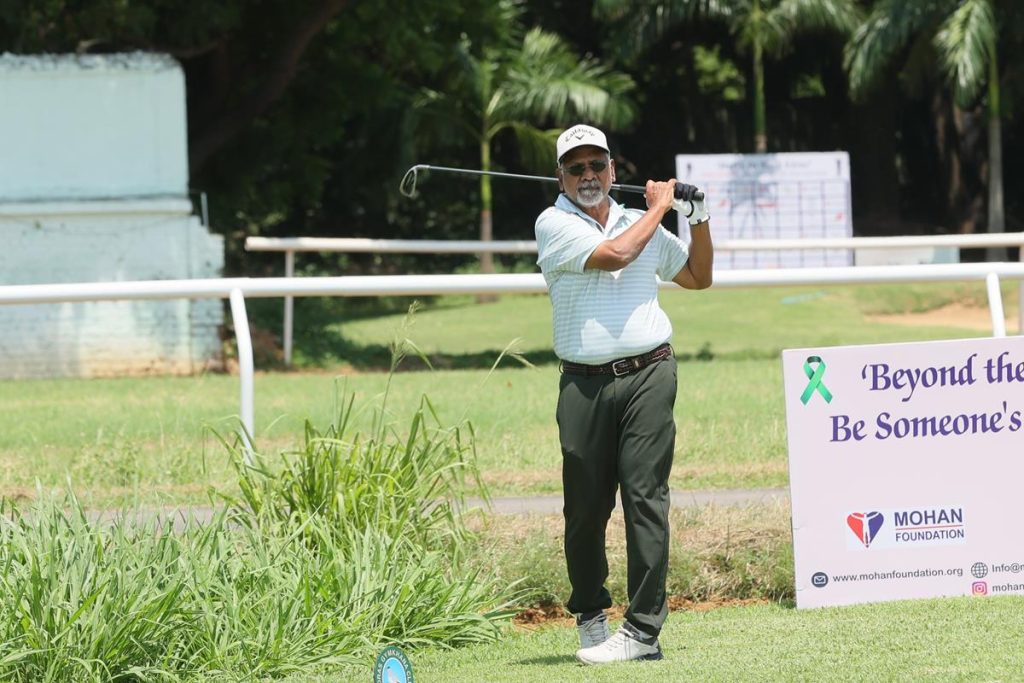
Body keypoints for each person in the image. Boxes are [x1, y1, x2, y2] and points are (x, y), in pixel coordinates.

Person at [534, 124, 713, 666]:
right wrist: (662, 206)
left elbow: (698, 277)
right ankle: (591, 613)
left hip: (650, 375)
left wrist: (697, 217)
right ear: (560, 178)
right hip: (583, 384)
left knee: (645, 499)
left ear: (614, 170)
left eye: (597, 166)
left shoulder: (640, 222)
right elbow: (613, 255)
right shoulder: (553, 224)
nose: (588, 176)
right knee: (585, 510)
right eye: (576, 168)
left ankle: (642, 630)